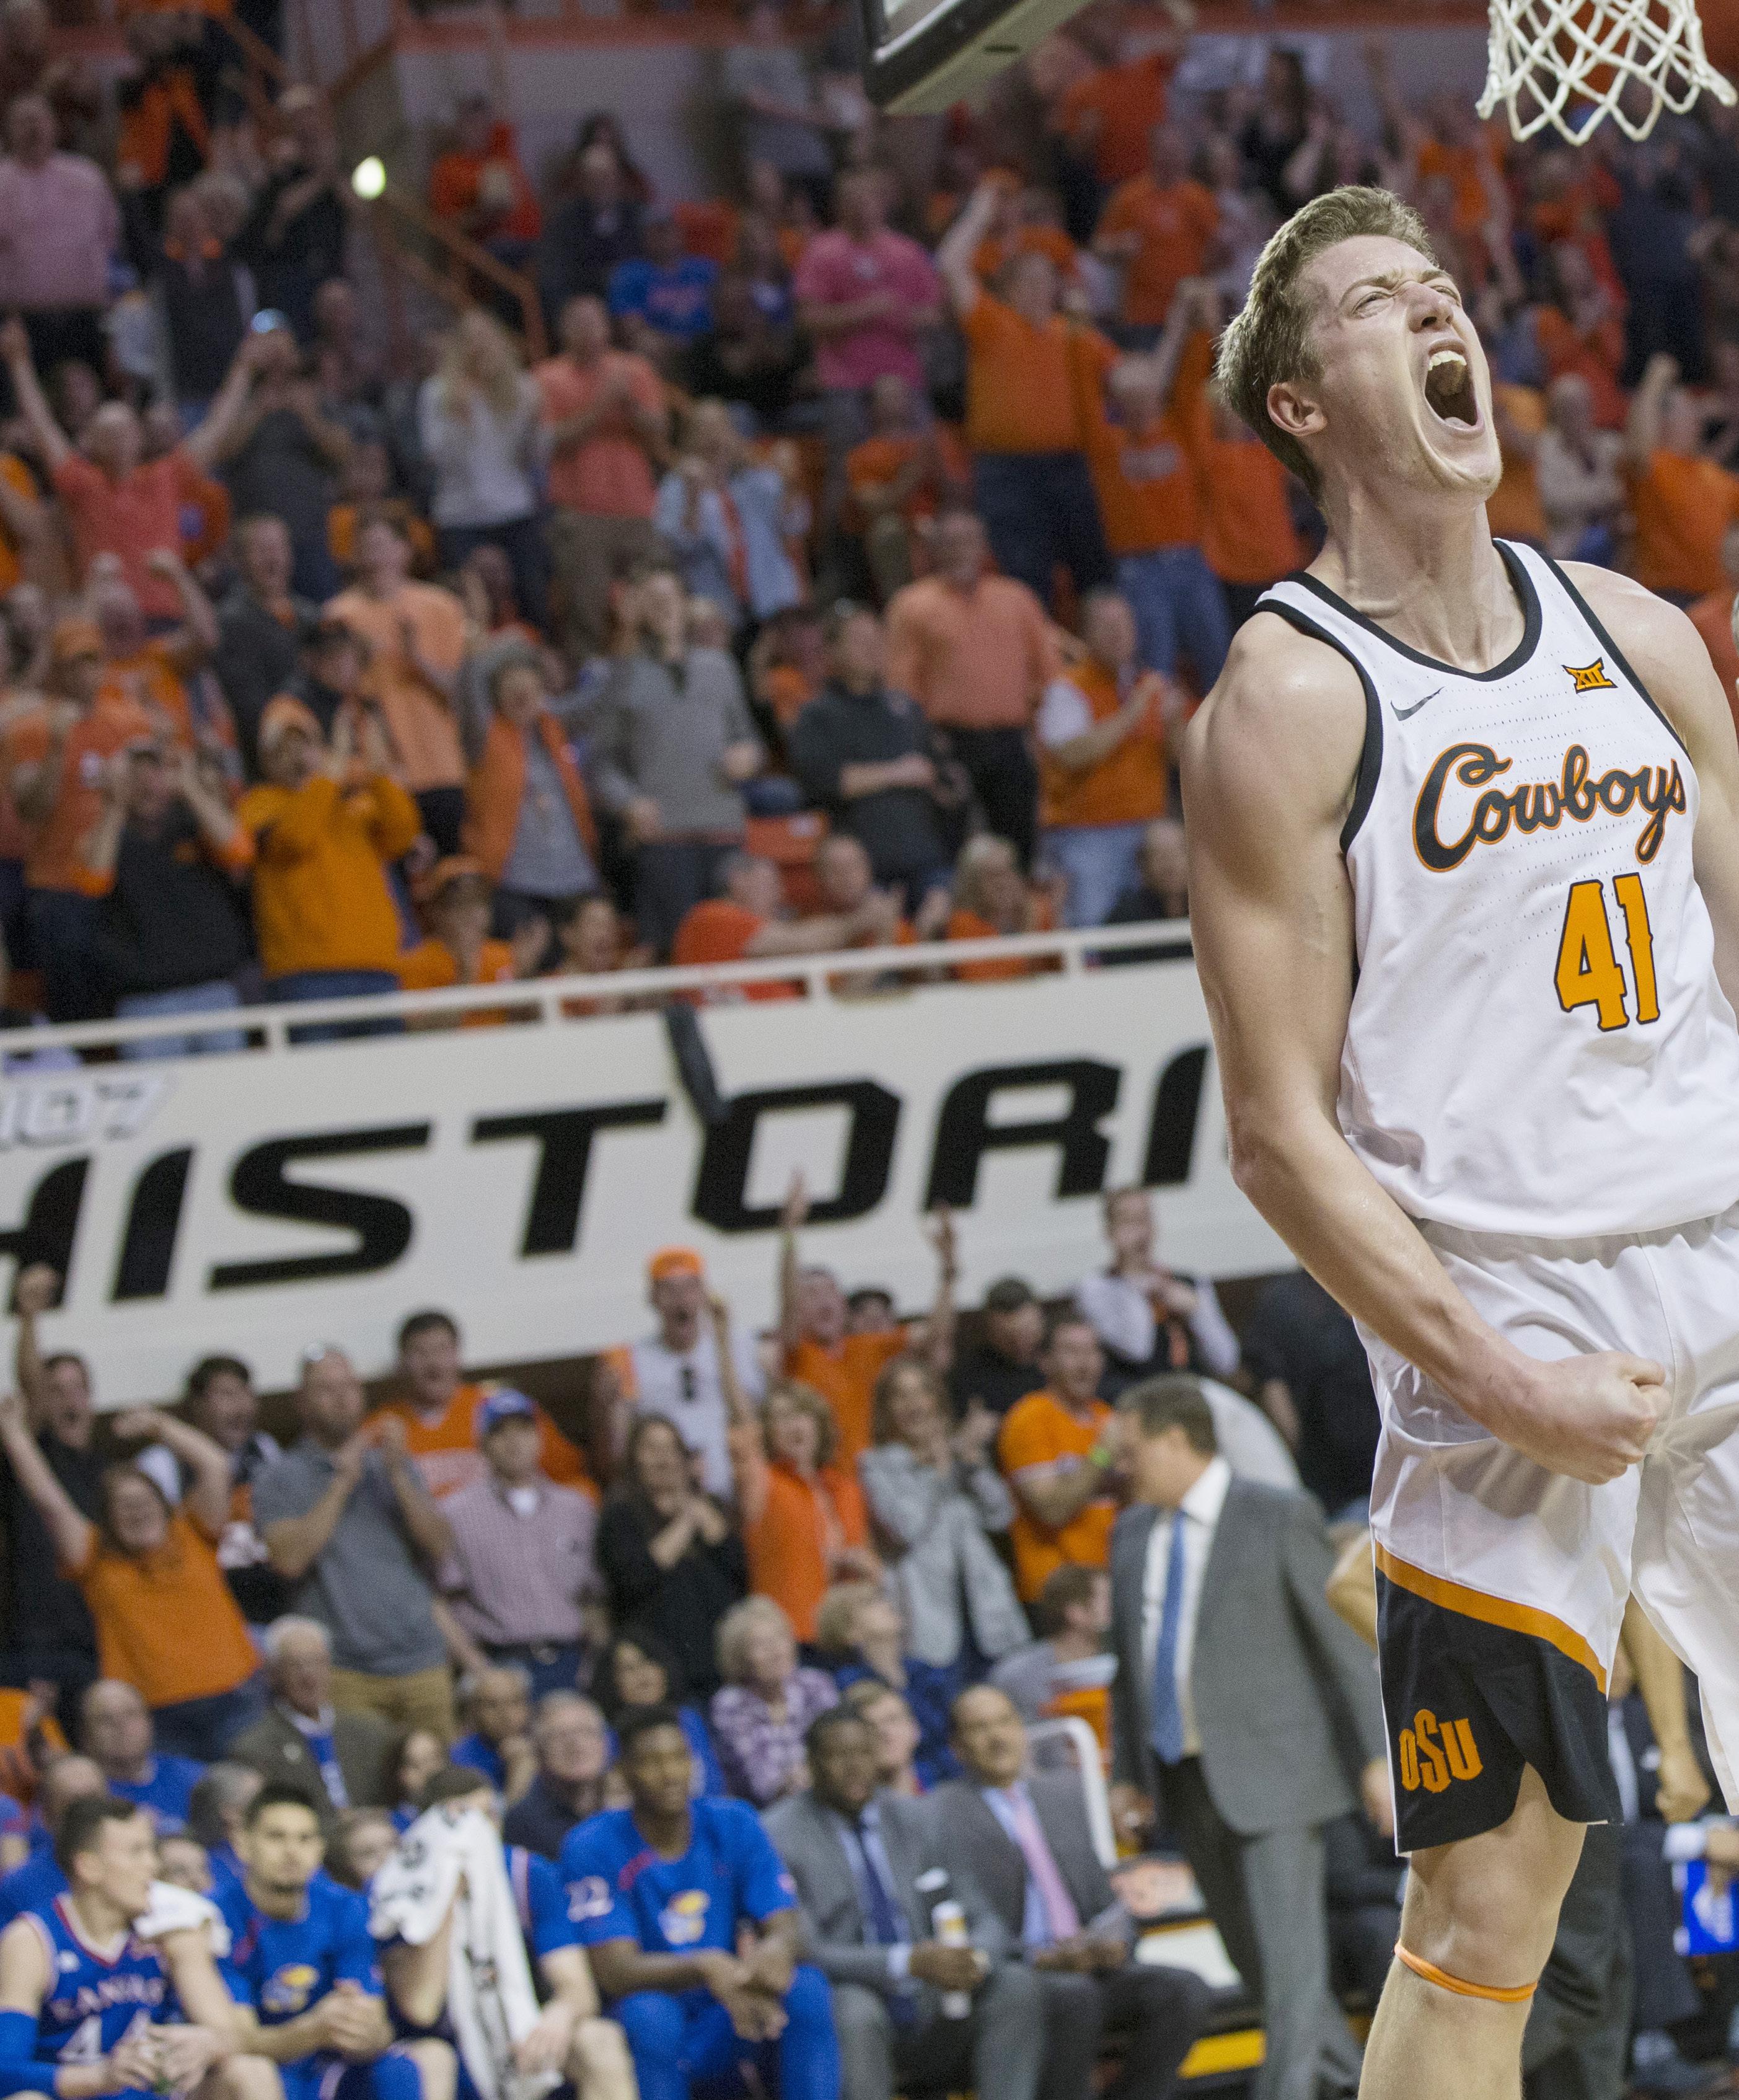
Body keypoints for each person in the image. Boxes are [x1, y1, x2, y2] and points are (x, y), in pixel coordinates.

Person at [1191, 181, 1739, 2100]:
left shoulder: (1639, 635)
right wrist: (1503, 1380)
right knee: (1483, 1922)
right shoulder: (1286, 696)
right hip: (1503, 1320)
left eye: (1437, 289)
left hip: (1722, 1255)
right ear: (1298, 403)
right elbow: (1275, 1138)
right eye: (1372, 301)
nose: (1433, 312)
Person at [1108, 1379, 1389, 2100]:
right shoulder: (1129, 1533)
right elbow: (1126, 1667)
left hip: (1280, 1773)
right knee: (1261, 1970)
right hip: (1182, 1774)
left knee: (1290, 1969)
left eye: (1131, 1450)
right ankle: (1367, 2088)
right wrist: (1125, 1773)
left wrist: (1376, 1756)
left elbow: (1340, 1644)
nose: (1120, 1466)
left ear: (1176, 1439)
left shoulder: (1277, 1513)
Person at [936, 1685, 1210, 2100]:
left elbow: (1105, 1898)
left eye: (1005, 1722)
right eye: (979, 1728)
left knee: (1183, 1991)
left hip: (1088, 1965)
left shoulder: (1064, 1793)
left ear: (1022, 1729)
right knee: (1075, 1998)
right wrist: (1038, 1959)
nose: (997, 1737)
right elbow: (962, 1917)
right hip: (1019, 1977)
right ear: (957, 1747)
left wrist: (1115, 1942)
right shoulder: (942, 1814)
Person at [558, 1703, 842, 2100]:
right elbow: (615, 1971)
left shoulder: (734, 1821)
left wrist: (773, 1954)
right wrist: (706, 1966)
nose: (670, 1773)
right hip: (650, 2016)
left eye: (679, 1757)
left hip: (728, 2006)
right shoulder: (591, 1845)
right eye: (652, 1762)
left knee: (806, 1987)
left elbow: (783, 1921)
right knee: (651, 2015)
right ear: (622, 1771)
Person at [764, 1706, 1047, 2100]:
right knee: (853, 2009)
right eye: (838, 1755)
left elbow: (986, 1918)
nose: (854, 1767)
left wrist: (972, 1960)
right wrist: (907, 1961)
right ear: (811, 1763)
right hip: (859, 1998)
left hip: (937, 1995)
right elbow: (807, 1950)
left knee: (1015, 1984)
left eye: (864, 1753)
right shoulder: (779, 1832)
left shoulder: (917, 1815)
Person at [0, 1393, 265, 1760]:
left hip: (236, 1700)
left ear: (164, 1505)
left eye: (145, 1501)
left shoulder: (192, 1531)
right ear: (108, 1520)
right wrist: (13, 1431)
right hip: (154, 1718)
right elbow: (49, 1500)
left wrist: (158, 1425)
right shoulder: (95, 1556)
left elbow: (215, 1465)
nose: (137, 1512)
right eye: (124, 1506)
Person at [379, 1764, 634, 2100]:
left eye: (490, 1815)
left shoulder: (528, 1874)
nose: (481, 1832)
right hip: (448, 2047)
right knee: (431, 2062)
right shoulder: (401, 1888)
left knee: (598, 2040)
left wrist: (557, 2018)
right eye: (466, 1821)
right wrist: (450, 1893)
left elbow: (578, 1990)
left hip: (522, 2035)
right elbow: (421, 2007)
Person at [0, 1794, 263, 2100]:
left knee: (251, 2072)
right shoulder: (33, 1941)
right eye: (137, 1852)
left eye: (151, 1850)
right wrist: (100, 2077)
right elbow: (5, 2070)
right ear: (89, 1867)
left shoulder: (171, 1926)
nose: (152, 1865)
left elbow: (232, 2037)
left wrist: (209, 2043)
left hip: (152, 2093)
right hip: (75, 2092)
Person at [253, 1348, 456, 1737]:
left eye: (349, 1386)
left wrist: (399, 1475)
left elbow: (440, 1547)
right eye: (326, 1389)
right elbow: (289, 1560)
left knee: (441, 1770)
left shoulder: (391, 1463)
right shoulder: (279, 1477)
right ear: (302, 1402)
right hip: (345, 1669)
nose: (342, 1398)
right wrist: (342, 1482)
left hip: (422, 1656)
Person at [934, 182, 1113, 612]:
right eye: (1027, 281)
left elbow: (1129, 379)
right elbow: (951, 263)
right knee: (1025, 578)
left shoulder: (1074, 333)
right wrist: (982, 209)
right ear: (1007, 289)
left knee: (1095, 574)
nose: (1038, 289)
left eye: (1045, 280)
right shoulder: (992, 323)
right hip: (1006, 471)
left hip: (1069, 465)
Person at [219, 1781, 456, 2100]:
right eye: (276, 1837)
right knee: (251, 2071)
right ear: (243, 1843)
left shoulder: (345, 1908)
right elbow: (237, 2040)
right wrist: (313, 2031)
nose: (292, 1851)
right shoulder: (217, 1917)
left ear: (320, 1849)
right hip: (261, 2070)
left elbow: (374, 2023)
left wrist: (366, 2032)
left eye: (305, 1839)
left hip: (326, 2068)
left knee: (423, 2060)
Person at [593, 565, 765, 958]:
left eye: (670, 598)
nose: (663, 607)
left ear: (687, 605)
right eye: (652, 600)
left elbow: (749, 739)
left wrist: (750, 756)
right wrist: (628, 802)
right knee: (679, 950)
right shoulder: (619, 675)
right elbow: (600, 763)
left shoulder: (720, 666)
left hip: (724, 829)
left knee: (737, 944)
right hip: (664, 836)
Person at [883, 509, 1058, 868]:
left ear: (983, 547)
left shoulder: (1017, 599)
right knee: (950, 842)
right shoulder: (912, 605)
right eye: (949, 543)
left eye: (967, 541)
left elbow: (1050, 674)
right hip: (947, 741)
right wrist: (924, 745)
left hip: (1011, 738)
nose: (959, 551)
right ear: (934, 549)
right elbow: (902, 688)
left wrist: (1040, 732)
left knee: (1019, 842)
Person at [236, 697, 421, 1033]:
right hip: (305, 973)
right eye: (284, 748)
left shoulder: (350, 803)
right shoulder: (259, 805)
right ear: (266, 760)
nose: (297, 756)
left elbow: (402, 835)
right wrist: (329, 779)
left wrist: (378, 775)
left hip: (375, 964)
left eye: (304, 744)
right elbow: (294, 840)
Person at [73, 738, 253, 1054]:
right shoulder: (105, 837)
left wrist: (192, 788)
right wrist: (114, 804)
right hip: (145, 1003)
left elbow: (239, 851)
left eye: (155, 773)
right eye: (135, 776)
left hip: (212, 992)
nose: (147, 785)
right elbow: (93, 883)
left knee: (230, 1085)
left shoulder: (195, 825)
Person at [859, 1358, 1028, 1675]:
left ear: (936, 1399)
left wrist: (974, 1466)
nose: (913, 1404)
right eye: (900, 1395)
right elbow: (905, 1529)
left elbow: (1001, 1516)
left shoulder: (960, 1454)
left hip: (987, 1616)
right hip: (928, 1621)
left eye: (921, 1392)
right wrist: (938, 1471)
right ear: (886, 1409)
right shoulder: (877, 1465)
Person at [786, 602, 956, 911]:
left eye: (876, 638)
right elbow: (824, 782)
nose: (871, 647)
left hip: (925, 857)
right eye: (858, 639)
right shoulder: (817, 715)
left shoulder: (904, 707)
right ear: (833, 651)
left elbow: (934, 772)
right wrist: (898, 773)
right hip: (861, 867)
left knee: (952, 914)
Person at [778, 1175, 956, 1464]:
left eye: (829, 1291)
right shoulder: (798, 1355)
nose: (823, 1300)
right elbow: (786, 1302)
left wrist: (948, 1272)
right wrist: (789, 1234)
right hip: (830, 1480)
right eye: (811, 1294)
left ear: (843, 1305)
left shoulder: (868, 1346)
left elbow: (935, 1333)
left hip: (879, 1476)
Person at [534, 295, 668, 664]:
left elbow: (660, 432)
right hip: (580, 514)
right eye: (580, 324)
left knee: (654, 598)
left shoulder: (634, 370)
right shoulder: (548, 377)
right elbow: (550, 441)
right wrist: (601, 406)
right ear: (565, 332)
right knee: (586, 610)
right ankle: (589, 684)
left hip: (637, 509)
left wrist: (631, 406)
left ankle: (655, 675)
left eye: (595, 322)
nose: (590, 332)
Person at [441, 1389, 600, 1699]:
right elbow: (441, 1599)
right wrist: (477, 1668)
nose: (514, 1440)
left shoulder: (576, 1508)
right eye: (500, 1431)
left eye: (524, 1429)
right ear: (482, 1444)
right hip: (500, 1662)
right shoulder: (455, 1513)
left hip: (571, 1660)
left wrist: (593, 1660)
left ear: (539, 1437)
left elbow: (595, 1596)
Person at [324, 516, 469, 851]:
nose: (375, 557)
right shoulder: (338, 616)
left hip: (442, 766)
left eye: (382, 546)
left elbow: (461, 694)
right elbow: (335, 696)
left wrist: (417, 659)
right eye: (365, 548)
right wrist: (359, 660)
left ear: (404, 550)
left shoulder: (440, 606)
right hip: (380, 774)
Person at [0, 1268, 103, 1726]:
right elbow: (31, 1389)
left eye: (78, 1389)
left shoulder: (108, 1472)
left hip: (97, 1640)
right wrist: (29, 1318)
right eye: (57, 1390)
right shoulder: (34, 1455)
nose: (69, 1401)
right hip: (33, 1646)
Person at [1037, 591, 1173, 929]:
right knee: (1093, 929)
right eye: (1107, 626)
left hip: (1147, 831)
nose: (1118, 634)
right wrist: (1134, 710)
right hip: (1087, 834)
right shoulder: (1066, 689)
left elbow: (1180, 759)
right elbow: (1072, 754)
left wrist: (1176, 726)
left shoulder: (1149, 685)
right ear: (1086, 634)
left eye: (1124, 625)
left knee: (1149, 927)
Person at [596, 1416, 746, 1703]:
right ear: (634, 1459)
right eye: (651, 1449)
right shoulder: (620, 1516)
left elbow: (737, 1570)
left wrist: (706, 1518)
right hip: (660, 1671)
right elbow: (636, 1577)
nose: (663, 1459)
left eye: (671, 1449)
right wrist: (686, 1521)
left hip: (721, 1664)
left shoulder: (712, 1508)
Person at [599, 1250, 766, 1499]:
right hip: (665, 1496)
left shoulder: (736, 1343)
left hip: (736, 1489)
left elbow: (750, 1422)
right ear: (653, 1298)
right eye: (669, 1290)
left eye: (690, 1288)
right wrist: (606, 1406)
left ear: (704, 1294)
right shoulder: (631, 1358)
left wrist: (722, 1344)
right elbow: (617, 1455)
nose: (681, 1299)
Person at [379, 1310, 591, 1504]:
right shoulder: (382, 1426)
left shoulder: (500, 1407)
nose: (433, 1363)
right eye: (420, 1352)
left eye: (442, 1350)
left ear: (457, 1354)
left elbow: (572, 1476)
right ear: (403, 1361)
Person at [418, 312, 545, 631]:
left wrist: (538, 428)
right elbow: (436, 458)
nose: (479, 348)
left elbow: (537, 457)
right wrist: (461, 419)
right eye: (470, 340)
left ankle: (536, 650)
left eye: (485, 338)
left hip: (514, 508)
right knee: (465, 603)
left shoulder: (523, 389)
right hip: (460, 513)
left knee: (532, 596)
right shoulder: (436, 393)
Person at [461, 650, 601, 929]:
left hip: (574, 874)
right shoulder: (486, 736)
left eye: (529, 689)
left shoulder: (556, 729)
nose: (522, 698)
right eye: (512, 690)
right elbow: (469, 689)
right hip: (515, 881)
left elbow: (600, 701)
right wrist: (484, 651)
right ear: (497, 697)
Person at [730, 1381, 876, 1644]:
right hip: (792, 1638)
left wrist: (862, 1565)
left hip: (850, 1635)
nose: (794, 1425)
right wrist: (724, 1355)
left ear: (819, 1423)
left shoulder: (847, 1490)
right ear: (767, 1432)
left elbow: (873, 1568)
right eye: (781, 1418)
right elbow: (741, 1426)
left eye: (802, 1413)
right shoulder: (765, 1482)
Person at [998, 1313, 1123, 1604]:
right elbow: (1052, 1510)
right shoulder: (1029, 1418)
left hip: (1109, 1584)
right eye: (1072, 1352)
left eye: (1092, 1352)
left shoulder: (1105, 1415)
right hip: (1057, 1597)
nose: (1085, 1363)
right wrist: (1103, 1453)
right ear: (1046, 1362)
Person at [1241, 1269, 1381, 1524]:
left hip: (1387, 1461)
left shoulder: (1374, 1280)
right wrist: (1296, 1455)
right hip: (1329, 1476)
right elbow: (1272, 1384)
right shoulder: (1283, 1298)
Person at [1075, 1187, 1240, 1397]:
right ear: (1110, 1232)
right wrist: (1137, 1282)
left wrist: (1196, 1312)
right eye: (1128, 1221)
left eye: (1145, 1219)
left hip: (1190, 1394)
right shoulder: (1097, 1288)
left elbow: (1227, 1361)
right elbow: (1136, 1349)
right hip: (1133, 1398)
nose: (1140, 1230)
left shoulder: (1189, 1282)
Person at [229, 1617, 392, 1822]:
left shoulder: (370, 1731)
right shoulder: (255, 1748)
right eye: (296, 1665)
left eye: (318, 1662)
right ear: (273, 1674)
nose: (309, 1676)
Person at [213, 514, 320, 780]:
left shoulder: (311, 617)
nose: (273, 558)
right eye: (262, 550)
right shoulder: (231, 622)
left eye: (279, 548)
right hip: (269, 767)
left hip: (318, 756)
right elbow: (250, 711)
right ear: (241, 561)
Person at [708, 1597, 838, 1807]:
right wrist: (816, 1773)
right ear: (740, 1657)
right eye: (761, 1645)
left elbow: (838, 1750)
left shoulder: (815, 1684)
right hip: (768, 1813)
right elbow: (764, 1785)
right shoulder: (731, 1704)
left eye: (780, 1638)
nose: (776, 1652)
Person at [988, 1565, 1117, 1752]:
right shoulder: (1015, 1675)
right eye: (1107, 1598)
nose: (1118, 1606)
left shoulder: (1119, 1664)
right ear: (1076, 1612)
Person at [590, 1631, 724, 1801]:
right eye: (629, 1669)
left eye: (648, 1662)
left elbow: (713, 1785)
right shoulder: (607, 1737)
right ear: (612, 1681)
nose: (642, 1675)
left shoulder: (688, 1719)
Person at [76, 1680, 206, 1833]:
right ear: (85, 1734)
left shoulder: (195, 1778)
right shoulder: (85, 1795)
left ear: (149, 1722)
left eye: (130, 1714)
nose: (121, 1726)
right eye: (106, 1719)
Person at [500, 1692, 613, 1858]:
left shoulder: (632, 1808)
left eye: (587, 1732)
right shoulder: (522, 1823)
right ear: (539, 1750)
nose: (576, 1745)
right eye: (560, 1736)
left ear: (605, 1743)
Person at [0, 1755, 104, 1927]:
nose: (85, 1814)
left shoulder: (140, 1864)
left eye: (94, 1800)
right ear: (46, 1815)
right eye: (72, 1804)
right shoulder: (19, 1886)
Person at [949, 1277, 1046, 1421]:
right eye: (1007, 1338)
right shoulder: (972, 1374)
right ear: (990, 1331)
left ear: (1040, 1319)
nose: (1019, 1344)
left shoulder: (1060, 1353)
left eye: (1026, 1332)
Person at [449, 1667, 535, 1802]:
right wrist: (520, 1766)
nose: (505, 1715)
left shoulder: (545, 1746)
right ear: (474, 1711)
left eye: (514, 1702)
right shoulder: (459, 1759)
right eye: (492, 1705)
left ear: (528, 1707)